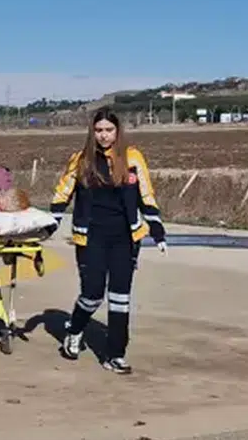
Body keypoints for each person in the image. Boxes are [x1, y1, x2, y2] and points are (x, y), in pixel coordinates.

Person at [49, 107, 165, 374]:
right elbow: (63, 193)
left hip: (125, 237)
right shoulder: (81, 160)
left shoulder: (133, 157)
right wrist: (50, 223)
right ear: (92, 132)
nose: (103, 135)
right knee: (92, 294)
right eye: (99, 130)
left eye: (109, 130)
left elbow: (146, 195)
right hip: (91, 237)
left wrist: (157, 229)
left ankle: (115, 354)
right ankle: (74, 329)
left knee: (120, 297)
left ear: (117, 131)